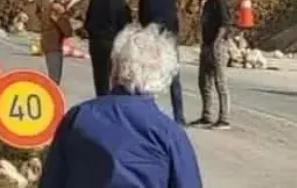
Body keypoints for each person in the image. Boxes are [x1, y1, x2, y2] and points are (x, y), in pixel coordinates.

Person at [39, 23, 203, 188]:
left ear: (115, 69)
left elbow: (52, 180)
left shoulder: (79, 117)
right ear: (163, 78)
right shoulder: (169, 134)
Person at [137, 0, 185, 125]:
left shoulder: (145, 1)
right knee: (174, 79)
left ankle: (150, 115)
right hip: (170, 39)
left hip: (154, 39)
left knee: (150, 77)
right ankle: (179, 117)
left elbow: (143, 22)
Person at [190, 0, 233, 130]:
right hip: (207, 45)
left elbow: (224, 24)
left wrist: (215, 43)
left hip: (218, 45)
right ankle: (206, 116)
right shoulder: (207, 4)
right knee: (204, 82)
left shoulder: (220, 3)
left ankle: (224, 119)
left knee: (220, 82)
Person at [84, 0, 132, 96]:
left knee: (99, 75)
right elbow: (125, 26)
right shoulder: (120, 3)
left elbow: (88, 22)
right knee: (114, 76)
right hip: (112, 42)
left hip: (95, 42)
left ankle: (100, 99)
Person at [41, 0, 76, 85]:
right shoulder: (57, 9)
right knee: (54, 80)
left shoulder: (51, 5)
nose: (68, 0)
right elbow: (67, 31)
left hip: (51, 44)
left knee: (54, 78)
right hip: (53, 45)